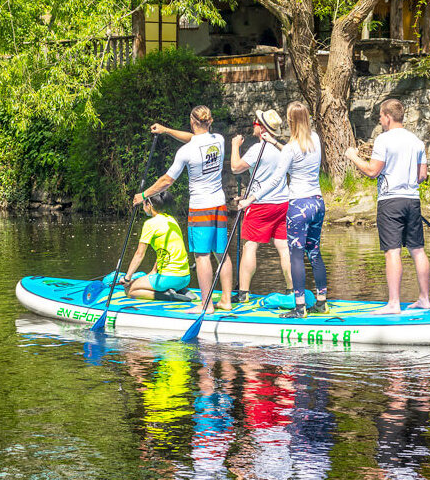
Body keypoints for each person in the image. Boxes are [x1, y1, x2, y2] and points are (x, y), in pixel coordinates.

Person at [133, 105, 233, 313]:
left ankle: (206, 306)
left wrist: (143, 195)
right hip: (219, 203)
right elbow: (195, 138)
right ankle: (226, 300)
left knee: (202, 256)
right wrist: (166, 130)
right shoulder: (219, 140)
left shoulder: (186, 151)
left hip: (201, 207)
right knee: (221, 254)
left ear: (192, 121)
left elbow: (167, 181)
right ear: (209, 121)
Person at [238, 101, 327, 318]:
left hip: (298, 206)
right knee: (314, 252)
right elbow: (296, 152)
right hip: (317, 202)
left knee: (296, 256)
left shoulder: (290, 148)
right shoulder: (315, 139)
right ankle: (322, 302)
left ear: (290, 121)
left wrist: (251, 198)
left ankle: (299, 308)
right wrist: (276, 143)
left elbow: (277, 178)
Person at [345, 98, 430, 314]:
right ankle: (424, 299)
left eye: (381, 116)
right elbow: (422, 176)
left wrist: (353, 157)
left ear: (388, 117)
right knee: (417, 250)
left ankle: (393, 303)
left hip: (390, 202)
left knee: (392, 251)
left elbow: (373, 171)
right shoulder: (417, 142)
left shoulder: (383, 140)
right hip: (412, 200)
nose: (380, 120)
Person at [231, 109, 292, 302]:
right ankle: (291, 291)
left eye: (256, 122)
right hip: (283, 203)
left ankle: (243, 293)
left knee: (250, 246)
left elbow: (235, 168)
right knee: (283, 247)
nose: (253, 124)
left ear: (263, 128)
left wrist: (234, 146)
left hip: (260, 204)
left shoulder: (258, 149)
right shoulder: (282, 149)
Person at [120, 191, 191, 299]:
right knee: (145, 280)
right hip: (185, 278)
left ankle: (169, 296)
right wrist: (153, 271)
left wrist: (127, 278)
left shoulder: (150, 224)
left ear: (149, 205)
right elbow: (164, 250)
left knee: (130, 290)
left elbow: (139, 254)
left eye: (144, 204)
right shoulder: (171, 220)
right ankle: (180, 289)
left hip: (168, 278)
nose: (143, 207)